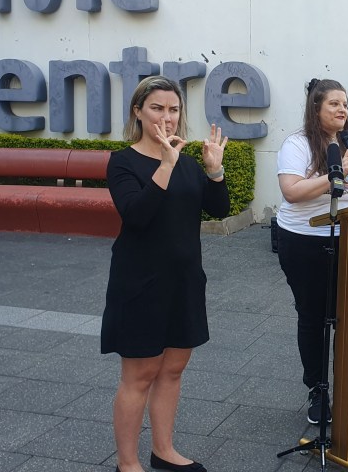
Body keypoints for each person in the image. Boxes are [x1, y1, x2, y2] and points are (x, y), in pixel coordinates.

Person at [102, 75, 230, 472]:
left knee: (172, 370)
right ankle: (127, 463)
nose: (167, 117)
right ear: (138, 112)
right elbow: (136, 215)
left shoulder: (188, 163)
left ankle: (164, 451)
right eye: (157, 108)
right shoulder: (122, 162)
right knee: (139, 376)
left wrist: (214, 171)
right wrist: (165, 165)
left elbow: (219, 209)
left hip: (184, 281)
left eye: (174, 110)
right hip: (140, 284)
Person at [276, 78, 348, 424]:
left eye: (345, 104)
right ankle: (318, 389)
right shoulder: (297, 144)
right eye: (334, 104)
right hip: (305, 241)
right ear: (316, 108)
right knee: (315, 317)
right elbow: (292, 192)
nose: (342, 110)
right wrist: (335, 173)